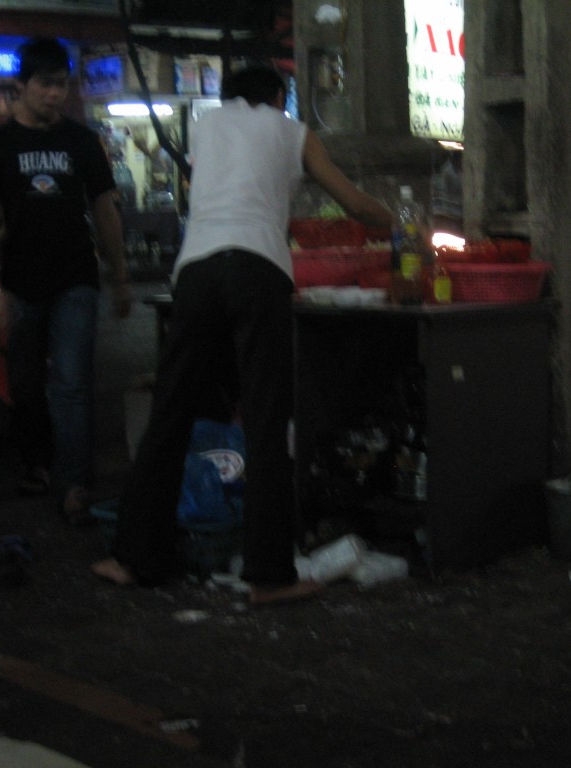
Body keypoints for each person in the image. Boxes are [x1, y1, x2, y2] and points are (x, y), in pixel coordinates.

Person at [91, 64, 394, 603]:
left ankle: (132, 558)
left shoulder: (206, 125)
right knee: (265, 418)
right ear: (279, 97)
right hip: (258, 270)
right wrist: (392, 219)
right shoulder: (292, 129)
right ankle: (268, 574)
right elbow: (352, 204)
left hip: (197, 270)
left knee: (171, 411)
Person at [0, 37, 132, 523]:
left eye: (61, 85)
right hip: (20, 280)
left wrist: (120, 274)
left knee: (71, 382)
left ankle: (72, 484)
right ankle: (37, 463)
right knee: (23, 383)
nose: (55, 94)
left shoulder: (82, 142)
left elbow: (105, 212)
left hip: (75, 278)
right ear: (19, 86)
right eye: (45, 84)